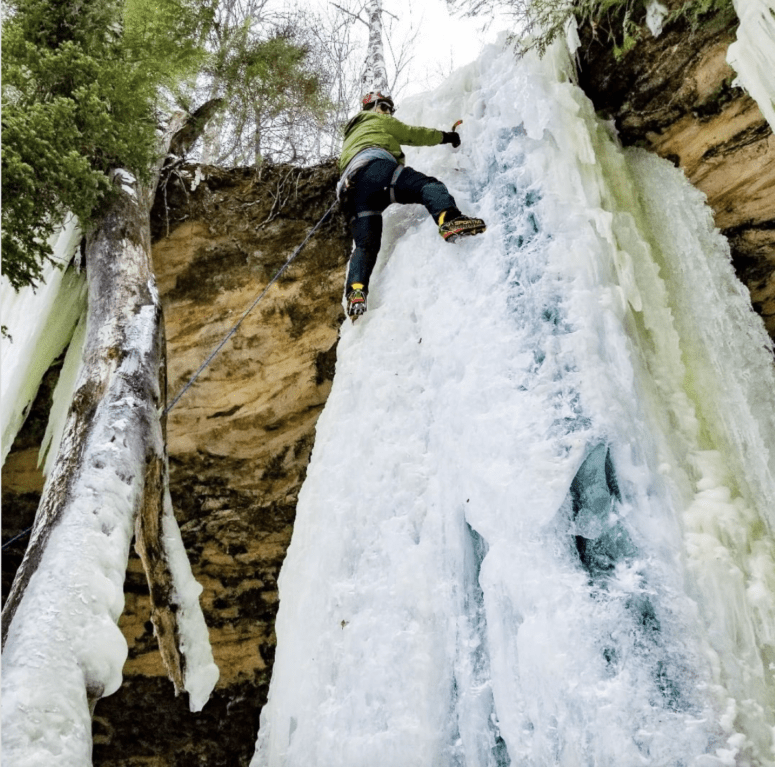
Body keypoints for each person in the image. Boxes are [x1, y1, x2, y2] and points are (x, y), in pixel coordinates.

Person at [338, 90, 486, 319]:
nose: (388, 112)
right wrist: (447, 137)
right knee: (427, 185)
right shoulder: (376, 119)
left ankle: (356, 291)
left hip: (350, 190)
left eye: (389, 109)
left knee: (365, 246)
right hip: (375, 171)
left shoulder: (350, 136)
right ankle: (450, 220)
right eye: (385, 107)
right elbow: (413, 134)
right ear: (374, 107)